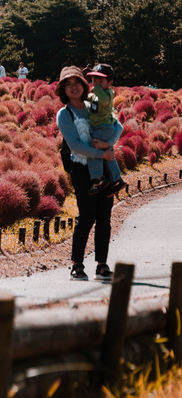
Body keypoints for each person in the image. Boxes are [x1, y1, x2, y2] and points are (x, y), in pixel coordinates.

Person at [56, 65, 123, 281]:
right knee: (86, 217)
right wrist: (100, 153)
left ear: (84, 85)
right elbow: (74, 145)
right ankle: (77, 263)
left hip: (103, 167)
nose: (73, 87)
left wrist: (108, 143)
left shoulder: (92, 104)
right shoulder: (64, 114)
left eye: (76, 83)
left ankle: (102, 265)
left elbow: (115, 124)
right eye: (68, 84)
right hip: (82, 170)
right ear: (63, 89)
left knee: (105, 216)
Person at [85, 64, 125, 196]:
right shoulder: (97, 94)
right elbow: (88, 99)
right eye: (94, 79)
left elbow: (99, 96)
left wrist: (95, 87)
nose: (95, 83)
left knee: (94, 150)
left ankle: (98, 178)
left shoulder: (107, 94)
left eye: (100, 80)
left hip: (104, 127)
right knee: (108, 153)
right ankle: (116, 179)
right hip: (101, 127)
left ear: (110, 83)